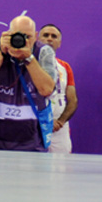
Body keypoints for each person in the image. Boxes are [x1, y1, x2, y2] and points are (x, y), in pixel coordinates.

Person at [0, 13, 58, 152]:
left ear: (36, 36)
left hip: (31, 144)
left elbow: (47, 90)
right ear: (8, 34)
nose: (22, 41)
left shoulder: (44, 52)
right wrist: (1, 53)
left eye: (28, 37)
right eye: (17, 35)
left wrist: (29, 58)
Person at [38, 24, 77, 154]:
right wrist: (46, 122)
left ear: (59, 43)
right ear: (37, 39)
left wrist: (60, 121)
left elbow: (72, 100)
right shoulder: (29, 64)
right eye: (45, 35)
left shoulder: (65, 67)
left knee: (62, 165)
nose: (49, 39)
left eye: (54, 36)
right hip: (36, 125)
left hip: (59, 128)